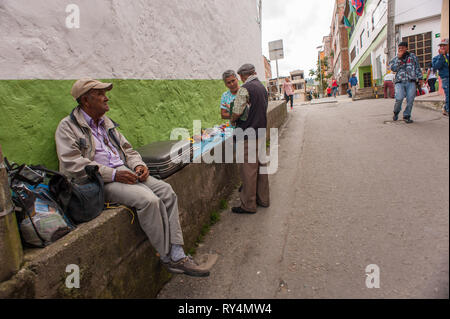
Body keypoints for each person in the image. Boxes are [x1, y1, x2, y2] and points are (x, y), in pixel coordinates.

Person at [55, 78, 211, 277]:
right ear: (86, 100)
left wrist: (138, 165)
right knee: (149, 201)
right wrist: (113, 174)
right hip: (101, 181)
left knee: (167, 192)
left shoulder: (105, 123)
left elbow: (128, 150)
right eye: (101, 94)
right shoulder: (68, 127)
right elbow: (71, 163)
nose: (106, 98)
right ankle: (167, 257)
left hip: (123, 171)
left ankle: (177, 251)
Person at [230, 64, 270, 215]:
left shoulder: (245, 88)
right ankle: (263, 199)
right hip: (260, 131)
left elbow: (237, 111)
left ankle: (248, 205)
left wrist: (233, 120)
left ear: (242, 76)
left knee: (248, 171)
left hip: (248, 134)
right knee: (261, 168)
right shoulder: (262, 87)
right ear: (254, 72)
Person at [389, 41, 423, 123]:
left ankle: (406, 116)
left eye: (402, 48)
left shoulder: (413, 57)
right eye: (399, 48)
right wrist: (399, 59)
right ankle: (396, 112)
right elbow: (393, 69)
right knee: (399, 98)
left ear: (406, 48)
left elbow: (417, 67)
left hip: (411, 81)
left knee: (410, 99)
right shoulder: (395, 58)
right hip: (399, 82)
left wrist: (420, 78)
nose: (401, 49)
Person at [432, 38, 449, 116]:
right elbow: (436, 66)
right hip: (446, 78)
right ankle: (447, 109)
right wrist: (442, 56)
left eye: (444, 45)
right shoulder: (436, 58)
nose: (442, 47)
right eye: (441, 46)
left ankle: (445, 108)